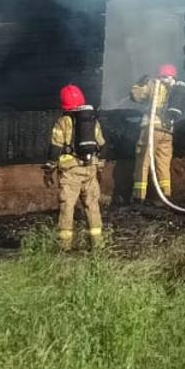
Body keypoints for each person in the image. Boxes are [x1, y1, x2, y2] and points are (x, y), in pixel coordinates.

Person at [49, 85, 106, 251]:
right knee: (92, 205)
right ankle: (97, 244)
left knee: (67, 206)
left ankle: (64, 246)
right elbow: (102, 145)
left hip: (70, 171)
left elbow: (55, 148)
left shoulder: (62, 122)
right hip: (90, 168)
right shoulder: (92, 121)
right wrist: (99, 166)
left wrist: (49, 168)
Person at [130, 64, 185, 200]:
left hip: (151, 128)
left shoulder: (154, 84)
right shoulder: (177, 88)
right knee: (163, 163)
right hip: (167, 130)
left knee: (143, 160)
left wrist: (138, 84)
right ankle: (165, 194)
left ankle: (139, 196)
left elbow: (137, 97)